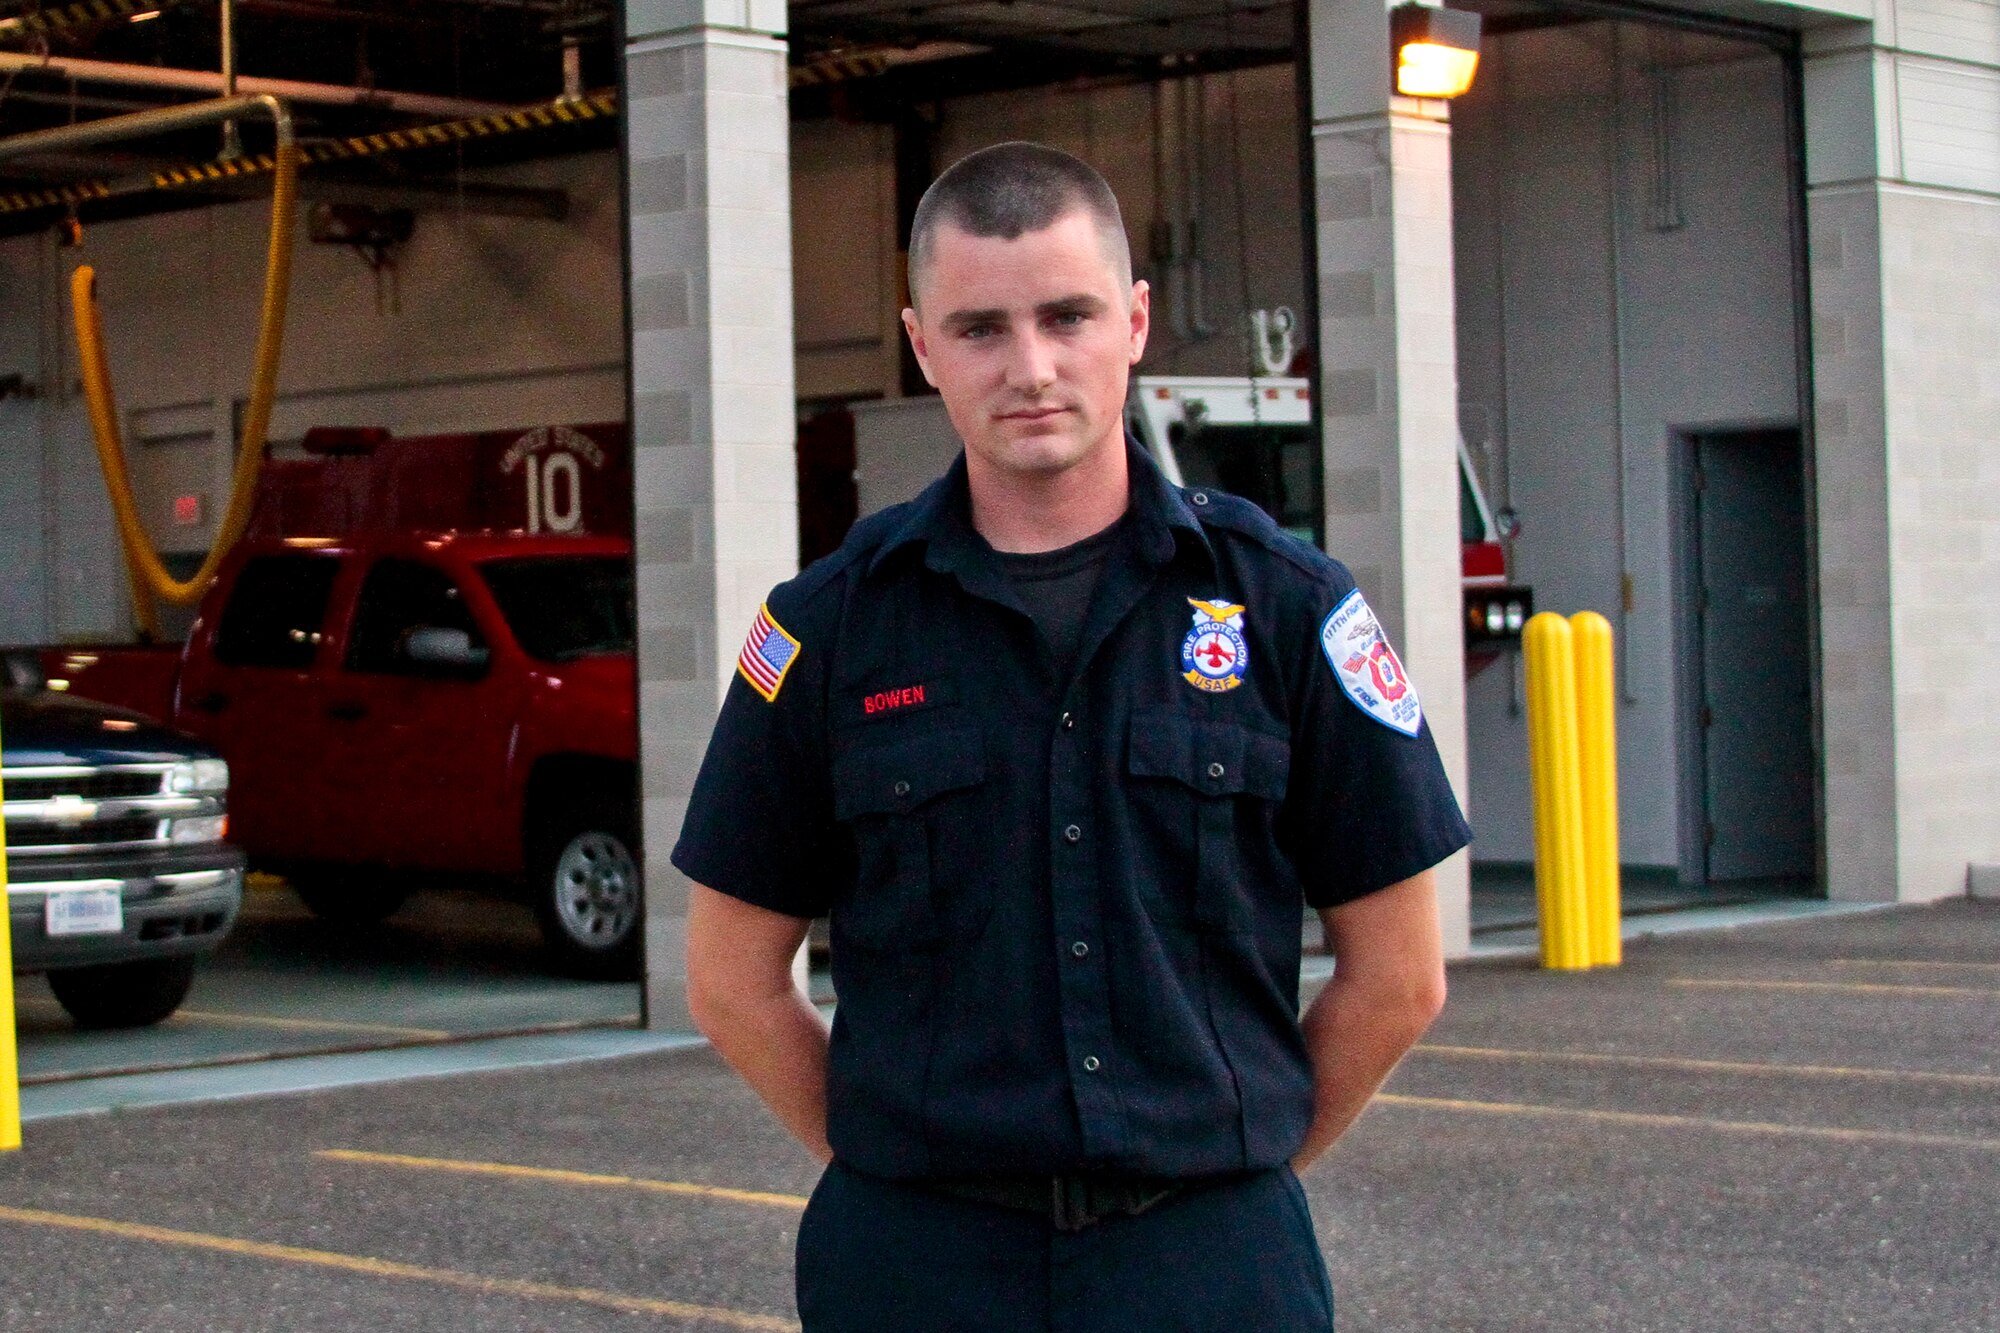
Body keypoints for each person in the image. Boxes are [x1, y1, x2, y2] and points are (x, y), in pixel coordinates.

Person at [676, 141, 1470, 1332]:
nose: (1031, 367)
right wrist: (901, 1165)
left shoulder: (1285, 610)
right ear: (922, 345)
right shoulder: (826, 632)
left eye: (1068, 315)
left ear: (1137, 321)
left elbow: (1399, 976)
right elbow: (732, 982)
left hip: (1206, 1261)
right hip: (917, 1269)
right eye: (981, 328)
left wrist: (1228, 1165)